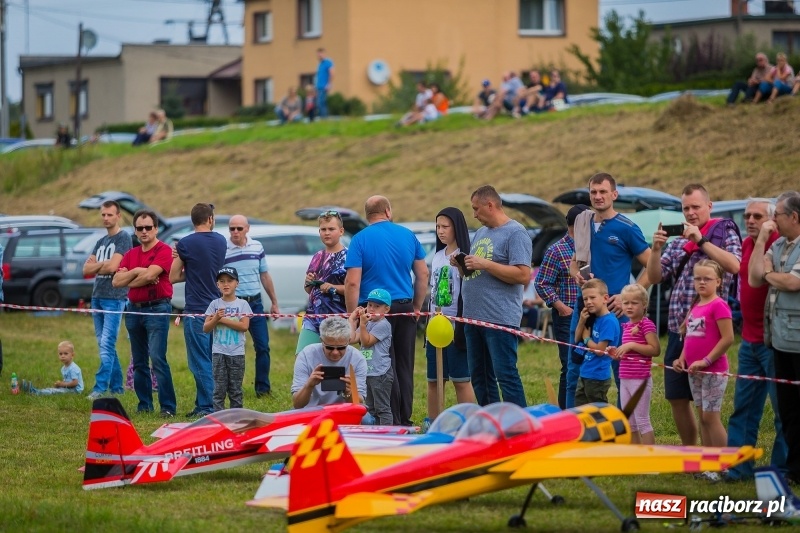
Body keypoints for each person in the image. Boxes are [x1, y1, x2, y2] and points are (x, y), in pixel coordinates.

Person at [645, 183, 742, 446]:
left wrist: (700, 240)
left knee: (707, 410)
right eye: (685, 208)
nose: (690, 213)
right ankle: (692, 452)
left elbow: (734, 265)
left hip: (708, 333)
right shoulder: (677, 242)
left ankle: (717, 460)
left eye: (696, 207)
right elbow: (655, 276)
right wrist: (655, 250)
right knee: (677, 396)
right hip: (680, 329)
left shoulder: (724, 231)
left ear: (709, 207)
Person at [568, 173, 651, 408]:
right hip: (584, 306)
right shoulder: (582, 222)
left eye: (603, 191)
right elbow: (575, 262)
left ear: (614, 194)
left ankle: (625, 425)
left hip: (616, 310)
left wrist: (628, 295)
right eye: (593, 192)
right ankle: (574, 423)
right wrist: (576, 272)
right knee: (575, 363)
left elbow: (654, 265)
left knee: (620, 368)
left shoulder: (626, 228)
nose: (598, 196)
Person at [345, 195, 428, 426]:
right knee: (404, 364)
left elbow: (352, 282)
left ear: (367, 215)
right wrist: (416, 307)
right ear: (388, 211)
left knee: (380, 365)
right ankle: (404, 418)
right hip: (403, 307)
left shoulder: (359, 239)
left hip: (372, 309)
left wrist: (354, 316)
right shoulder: (408, 235)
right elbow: (423, 274)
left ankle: (387, 419)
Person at [726, 198, 786, 482]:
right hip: (749, 342)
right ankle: (739, 468)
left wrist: (764, 236)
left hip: (773, 342)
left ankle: (781, 470)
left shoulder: (779, 245)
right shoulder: (748, 245)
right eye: (747, 215)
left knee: (782, 411)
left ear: (773, 219)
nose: (750, 220)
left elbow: (759, 280)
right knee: (744, 409)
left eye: (757, 216)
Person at [458, 185, 531, 407]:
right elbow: (476, 272)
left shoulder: (516, 233)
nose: (474, 215)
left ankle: (519, 427)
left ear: (490, 205)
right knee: (480, 378)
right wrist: (462, 264)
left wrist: (485, 264)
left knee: (505, 375)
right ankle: (493, 423)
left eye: (476, 209)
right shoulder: (481, 233)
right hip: (473, 318)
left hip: (498, 318)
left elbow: (522, 274)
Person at [748, 190, 800, 485]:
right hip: (780, 340)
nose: (772, 221)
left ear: (794, 217)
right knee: (790, 411)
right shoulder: (778, 244)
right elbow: (755, 277)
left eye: (776, 215)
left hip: (798, 341)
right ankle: (795, 469)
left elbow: (793, 282)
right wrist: (760, 243)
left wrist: (770, 275)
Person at [113, 209, 177, 417]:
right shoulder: (131, 254)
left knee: (157, 358)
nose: (144, 231)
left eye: (148, 227)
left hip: (157, 308)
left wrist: (133, 277)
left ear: (156, 228)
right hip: (133, 310)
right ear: (135, 230)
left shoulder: (164, 250)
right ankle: (145, 405)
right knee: (139, 361)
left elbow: (151, 275)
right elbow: (116, 282)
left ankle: (167, 407)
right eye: (139, 228)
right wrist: (138, 272)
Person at [170, 203, 226, 418]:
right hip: (216, 308)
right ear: (210, 219)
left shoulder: (185, 243)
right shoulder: (221, 241)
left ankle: (210, 408)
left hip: (196, 310)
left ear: (193, 220)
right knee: (212, 360)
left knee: (198, 361)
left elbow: (173, 277)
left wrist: (188, 269)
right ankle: (204, 403)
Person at [673, 259, 733, 453]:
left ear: (718, 282)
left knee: (710, 417)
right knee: (702, 417)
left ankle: (724, 463)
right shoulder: (696, 305)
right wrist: (682, 358)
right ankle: (708, 461)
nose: (701, 282)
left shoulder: (719, 305)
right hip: (694, 371)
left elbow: (728, 338)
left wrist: (706, 361)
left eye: (707, 278)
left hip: (713, 371)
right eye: (697, 278)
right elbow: (690, 336)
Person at [425, 207, 477, 423]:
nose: (440, 231)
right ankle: (433, 421)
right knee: (434, 379)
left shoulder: (466, 257)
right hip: (434, 326)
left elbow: (472, 284)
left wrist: (462, 267)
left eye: (445, 226)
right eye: (438, 226)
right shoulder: (437, 256)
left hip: (457, 328)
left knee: (461, 379)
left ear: (457, 228)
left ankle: (469, 422)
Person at [534, 204, 588, 408]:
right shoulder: (556, 251)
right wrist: (561, 307)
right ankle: (567, 411)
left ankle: (586, 408)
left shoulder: (593, 247)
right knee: (570, 365)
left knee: (589, 365)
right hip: (567, 317)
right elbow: (541, 283)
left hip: (591, 314)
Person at [225, 214, 280, 396]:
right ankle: (232, 388)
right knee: (231, 348)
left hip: (255, 304)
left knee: (263, 346)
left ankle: (262, 388)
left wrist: (274, 302)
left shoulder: (257, 247)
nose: (235, 232)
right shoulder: (224, 249)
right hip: (234, 304)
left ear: (247, 229)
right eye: (232, 228)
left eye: (239, 228)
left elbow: (264, 275)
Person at [83, 200, 132, 400]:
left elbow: (113, 268)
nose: (105, 218)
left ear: (118, 216)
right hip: (97, 296)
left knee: (106, 343)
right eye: (103, 214)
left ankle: (100, 387)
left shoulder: (124, 238)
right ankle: (118, 388)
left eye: (109, 214)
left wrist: (100, 265)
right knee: (104, 343)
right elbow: (85, 270)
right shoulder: (101, 241)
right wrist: (103, 265)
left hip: (115, 297)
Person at [612, 284, 660, 444]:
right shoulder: (626, 326)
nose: (629, 306)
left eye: (634, 303)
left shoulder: (646, 324)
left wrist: (631, 345)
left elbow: (655, 349)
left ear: (644, 304)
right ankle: (636, 457)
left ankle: (650, 461)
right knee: (630, 422)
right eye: (626, 303)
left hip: (640, 379)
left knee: (642, 420)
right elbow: (628, 354)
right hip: (625, 378)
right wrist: (617, 352)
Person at [297, 210, 347, 353]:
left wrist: (333, 287)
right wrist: (308, 282)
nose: (327, 233)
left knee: (331, 362)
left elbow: (355, 288)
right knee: (302, 357)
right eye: (323, 229)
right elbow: (308, 289)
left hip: (336, 319)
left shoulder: (349, 256)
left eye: (331, 229)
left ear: (341, 231)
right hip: (312, 317)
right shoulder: (318, 256)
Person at [292, 316, 367, 409]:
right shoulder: (306, 355)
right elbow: (297, 404)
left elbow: (358, 405)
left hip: (343, 411)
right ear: (321, 341)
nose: (335, 352)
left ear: (348, 341)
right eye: (329, 347)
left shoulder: (358, 358)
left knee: (366, 420)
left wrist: (349, 393)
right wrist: (309, 385)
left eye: (341, 348)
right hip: (312, 412)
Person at [204, 267, 252, 411]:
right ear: (217, 284)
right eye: (222, 281)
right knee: (219, 389)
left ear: (237, 283)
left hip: (237, 353)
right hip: (219, 353)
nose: (226, 284)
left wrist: (221, 319)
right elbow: (206, 328)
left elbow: (244, 326)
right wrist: (215, 319)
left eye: (230, 281)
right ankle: (219, 420)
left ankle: (236, 420)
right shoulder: (214, 304)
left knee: (235, 390)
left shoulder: (243, 304)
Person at [349, 288, 393, 425]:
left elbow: (367, 342)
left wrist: (362, 324)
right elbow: (352, 339)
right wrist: (351, 320)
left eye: (377, 306)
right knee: (370, 408)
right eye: (369, 305)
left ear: (386, 309)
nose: (372, 309)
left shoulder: (384, 325)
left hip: (381, 373)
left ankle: (388, 436)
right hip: (368, 372)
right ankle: (373, 434)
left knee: (382, 408)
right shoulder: (367, 323)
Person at [573, 279, 620, 405]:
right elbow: (576, 339)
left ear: (605, 298)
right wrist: (582, 321)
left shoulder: (608, 321)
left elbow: (600, 350)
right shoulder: (592, 317)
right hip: (585, 372)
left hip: (598, 375)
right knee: (580, 408)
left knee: (598, 410)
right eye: (585, 299)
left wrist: (587, 339)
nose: (588, 302)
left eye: (592, 297)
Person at [315, 48, 334, 118]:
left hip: (324, 86)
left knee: (321, 103)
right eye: (318, 55)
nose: (319, 56)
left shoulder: (328, 62)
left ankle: (324, 118)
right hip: (319, 86)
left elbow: (332, 73)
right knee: (319, 103)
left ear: (324, 54)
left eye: (320, 54)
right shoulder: (320, 64)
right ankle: (322, 117)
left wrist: (329, 84)